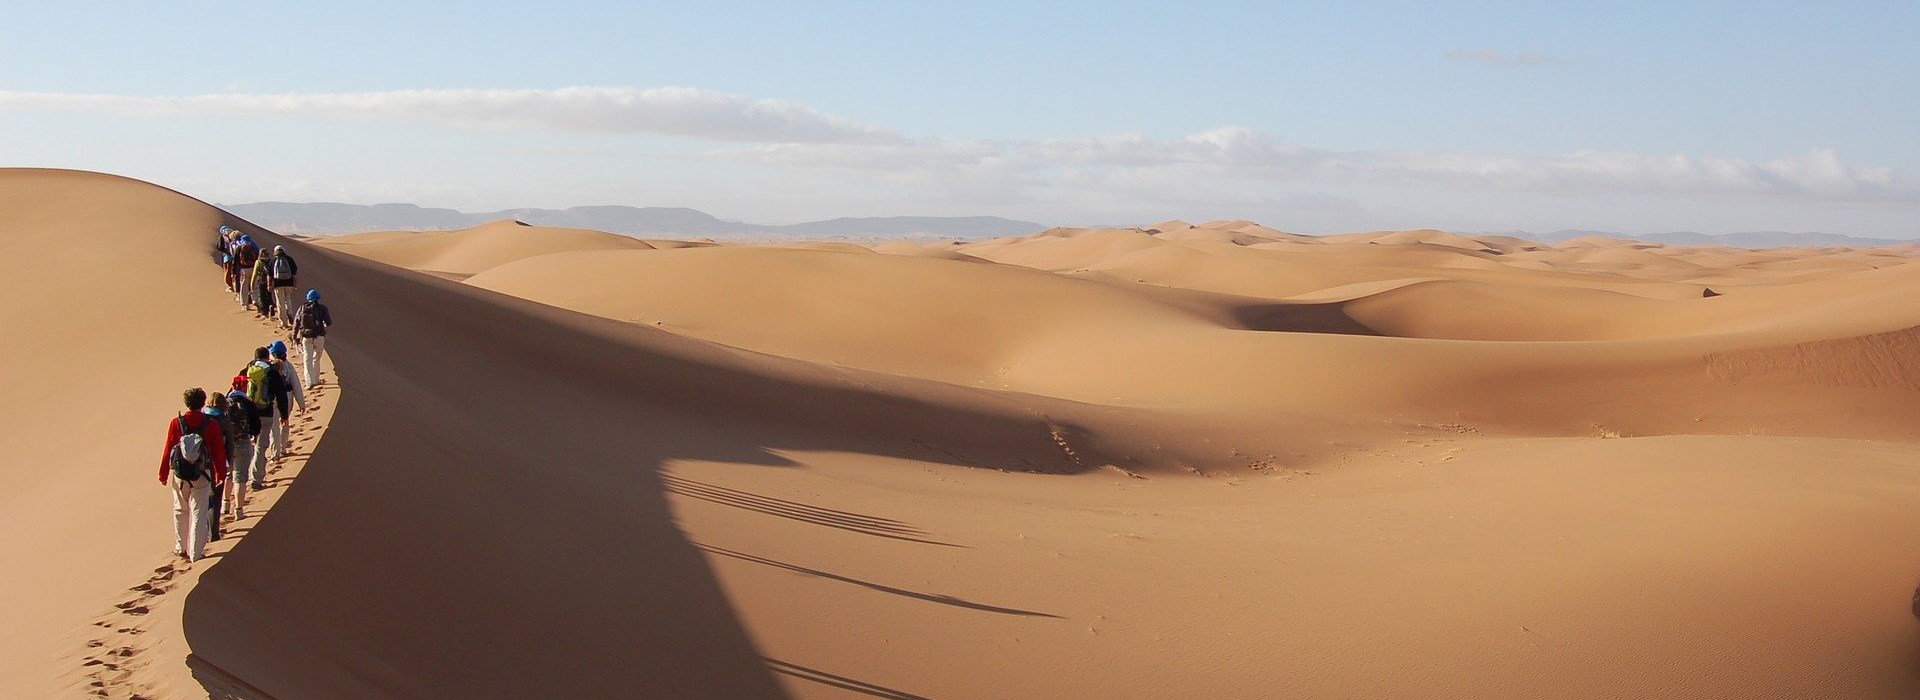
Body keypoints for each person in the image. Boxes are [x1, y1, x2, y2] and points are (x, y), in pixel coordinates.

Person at [159, 388, 227, 562]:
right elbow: (219, 451)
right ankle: (196, 553)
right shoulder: (211, 424)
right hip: (202, 475)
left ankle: (180, 547)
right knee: (199, 512)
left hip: (180, 474)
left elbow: (168, 448)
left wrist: (163, 473)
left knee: (180, 510)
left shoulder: (176, 423)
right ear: (203, 403)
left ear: (186, 403)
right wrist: (220, 473)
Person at [222, 384, 262, 512]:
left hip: (227, 445)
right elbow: (256, 426)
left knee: (228, 475)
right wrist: (254, 435)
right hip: (243, 443)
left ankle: (225, 504)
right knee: (240, 476)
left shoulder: (224, 403)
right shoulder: (248, 404)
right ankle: (238, 511)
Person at [293, 289, 333, 388]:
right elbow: (329, 322)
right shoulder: (323, 308)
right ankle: (315, 380)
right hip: (319, 336)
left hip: (306, 337)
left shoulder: (302, 308)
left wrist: (294, 336)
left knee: (307, 359)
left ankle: (309, 382)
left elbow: (296, 323)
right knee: (317, 358)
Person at [266, 245, 300, 329]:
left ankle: (283, 323)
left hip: (278, 285)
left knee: (280, 302)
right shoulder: (290, 259)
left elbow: (269, 275)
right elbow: (294, 273)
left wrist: (269, 285)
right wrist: (296, 284)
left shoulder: (273, 261)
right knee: (288, 299)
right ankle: (290, 313)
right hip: (289, 283)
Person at [231, 234, 260, 310]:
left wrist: (233, 272)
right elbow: (258, 258)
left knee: (244, 287)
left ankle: (244, 304)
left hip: (243, 270)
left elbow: (235, 260)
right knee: (254, 285)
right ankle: (255, 299)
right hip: (254, 269)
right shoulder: (254, 246)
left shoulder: (239, 248)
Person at [251, 247, 275, 320]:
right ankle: (271, 305)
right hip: (270, 282)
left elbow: (254, 274)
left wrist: (252, 284)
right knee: (269, 295)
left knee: (262, 297)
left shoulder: (258, 262)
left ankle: (265, 313)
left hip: (262, 281)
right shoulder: (271, 261)